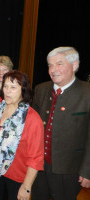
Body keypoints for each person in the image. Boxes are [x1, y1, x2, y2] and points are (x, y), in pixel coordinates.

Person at [31, 46, 90, 200]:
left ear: (75, 65)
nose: (53, 69)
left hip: (70, 169)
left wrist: (87, 171)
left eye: (59, 64)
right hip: (39, 165)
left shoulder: (87, 93)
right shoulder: (41, 89)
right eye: (50, 65)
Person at [0, 70, 44, 200]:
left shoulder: (32, 118)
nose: (8, 91)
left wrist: (26, 187)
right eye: (6, 86)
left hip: (17, 178)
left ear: (23, 90)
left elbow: (36, 158)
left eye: (13, 87)